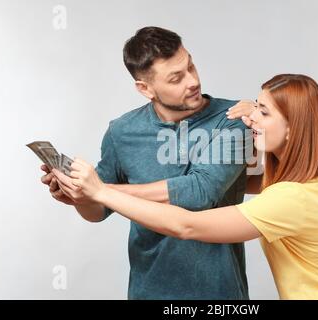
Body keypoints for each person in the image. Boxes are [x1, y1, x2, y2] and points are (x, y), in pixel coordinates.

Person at [53, 74, 318, 300]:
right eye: (255, 106)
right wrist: (86, 193)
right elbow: (264, 177)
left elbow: (187, 225)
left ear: (293, 129)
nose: (250, 118)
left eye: (263, 112)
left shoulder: (292, 200)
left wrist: (103, 191)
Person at [41, 26, 251, 299]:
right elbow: (97, 212)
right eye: (176, 78)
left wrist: (101, 190)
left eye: (191, 66)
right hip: (148, 290)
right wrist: (76, 195)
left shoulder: (234, 118)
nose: (192, 81)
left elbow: (201, 191)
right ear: (145, 88)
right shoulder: (121, 131)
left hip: (219, 294)